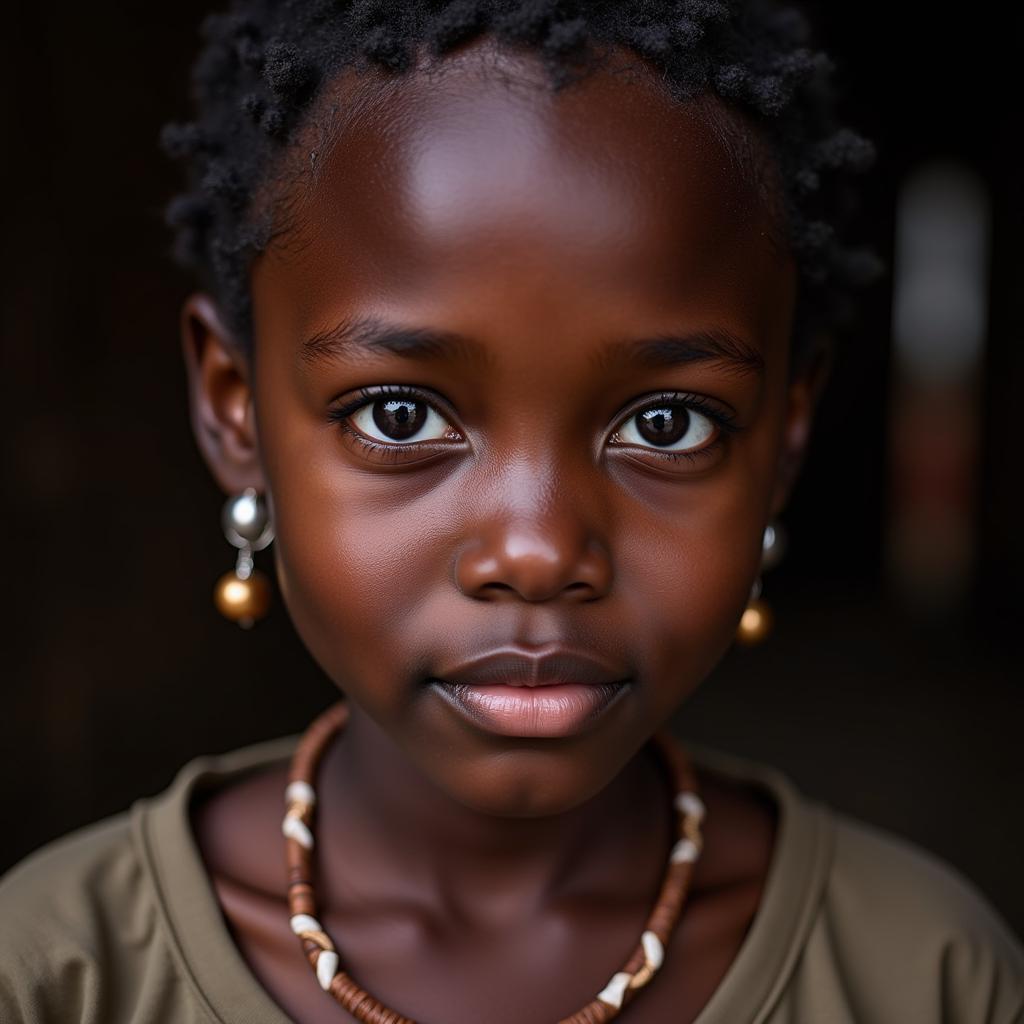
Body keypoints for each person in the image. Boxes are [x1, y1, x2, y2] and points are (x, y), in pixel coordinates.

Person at [1, 1, 1022, 1021]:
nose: (537, 553)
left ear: (784, 438)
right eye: (399, 416)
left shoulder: (925, 976)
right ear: (236, 409)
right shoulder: (55, 973)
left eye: (666, 425)